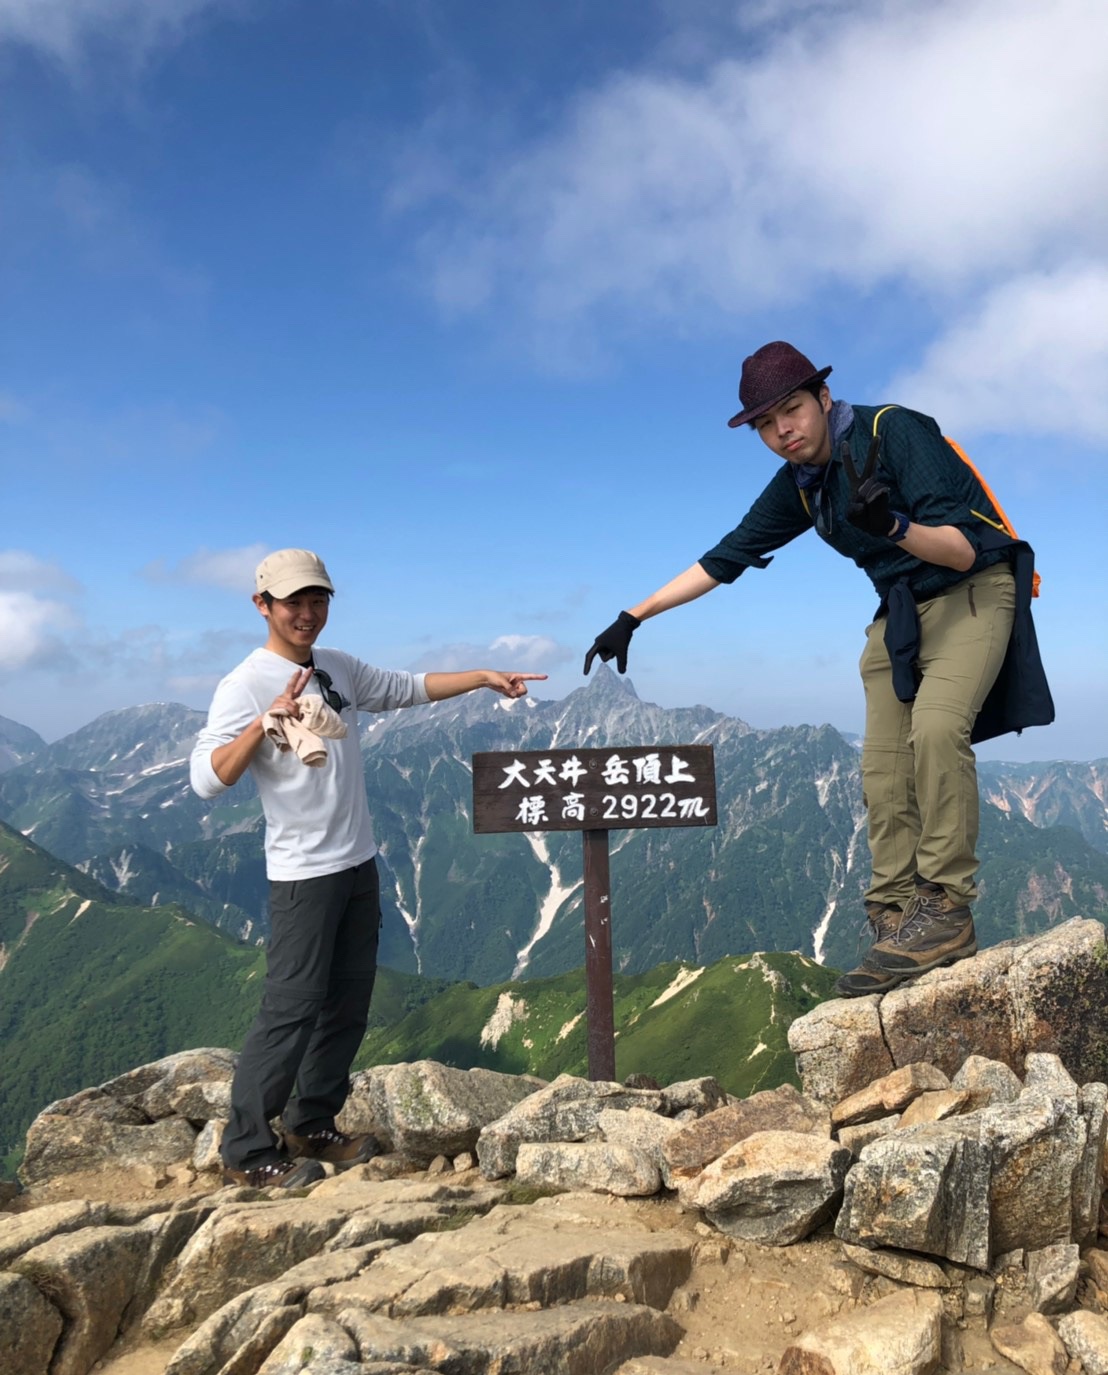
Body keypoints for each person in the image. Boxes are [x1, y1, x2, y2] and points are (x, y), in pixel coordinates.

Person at [584, 341, 1047, 998]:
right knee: (883, 766)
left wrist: (892, 525)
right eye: (766, 425)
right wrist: (634, 615)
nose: (782, 432)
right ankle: (893, 915)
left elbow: (967, 547)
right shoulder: (801, 486)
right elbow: (726, 556)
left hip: (971, 590)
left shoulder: (895, 432)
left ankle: (945, 910)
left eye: (791, 411)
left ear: (824, 398)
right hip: (902, 613)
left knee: (938, 730)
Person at [190, 548, 545, 1188]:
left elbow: (406, 689)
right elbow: (205, 780)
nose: (307, 613)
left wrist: (482, 676)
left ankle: (312, 1122)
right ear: (262, 606)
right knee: (291, 1007)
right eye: (293, 602)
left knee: (348, 1003)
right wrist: (260, 722)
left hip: (358, 862)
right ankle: (247, 1149)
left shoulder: (337, 667)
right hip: (302, 873)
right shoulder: (243, 682)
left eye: (317, 599)